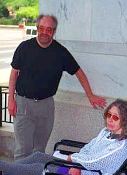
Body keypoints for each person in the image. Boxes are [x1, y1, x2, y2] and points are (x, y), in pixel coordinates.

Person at [8, 14, 106, 160]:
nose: (44, 32)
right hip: (24, 104)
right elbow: (14, 73)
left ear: (53, 32)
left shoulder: (60, 52)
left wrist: (90, 95)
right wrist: (11, 99)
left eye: (49, 29)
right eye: (41, 28)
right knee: (23, 151)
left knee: (39, 150)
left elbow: (79, 72)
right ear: (37, 28)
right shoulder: (24, 47)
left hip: (46, 106)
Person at [0, 99, 127, 175]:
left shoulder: (121, 146)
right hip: (77, 166)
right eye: (109, 115)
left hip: (84, 172)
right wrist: (75, 159)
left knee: (37, 168)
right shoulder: (106, 132)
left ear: (126, 120)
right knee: (37, 156)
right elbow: (89, 148)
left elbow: (96, 162)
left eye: (115, 117)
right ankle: (8, 170)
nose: (110, 120)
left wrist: (74, 159)